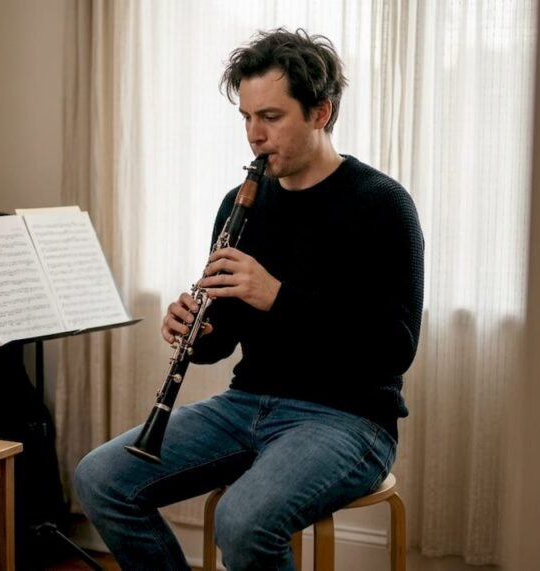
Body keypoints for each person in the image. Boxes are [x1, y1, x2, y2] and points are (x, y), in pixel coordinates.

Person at [73, 27, 424, 570]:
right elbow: (227, 338)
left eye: (271, 117)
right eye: (246, 117)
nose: (254, 135)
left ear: (320, 113)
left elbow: (393, 349)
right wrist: (200, 330)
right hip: (247, 403)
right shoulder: (242, 204)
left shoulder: (381, 205)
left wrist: (278, 296)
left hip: (348, 419)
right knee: (100, 479)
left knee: (243, 521)